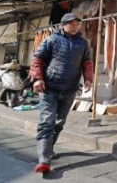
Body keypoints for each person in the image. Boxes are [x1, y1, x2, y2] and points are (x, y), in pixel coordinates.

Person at [29, 13, 93, 173]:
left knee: (59, 123)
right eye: (72, 24)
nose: (75, 26)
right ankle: (44, 160)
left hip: (69, 89)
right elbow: (38, 59)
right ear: (63, 25)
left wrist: (88, 79)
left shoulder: (83, 43)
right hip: (49, 87)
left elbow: (87, 62)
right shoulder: (52, 39)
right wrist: (37, 78)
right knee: (47, 122)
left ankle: (49, 150)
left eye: (77, 24)